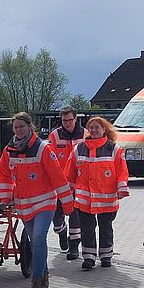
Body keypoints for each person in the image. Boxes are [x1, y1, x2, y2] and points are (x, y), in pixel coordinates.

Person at [0, 112, 73, 288]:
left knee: (38, 238)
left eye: (22, 126)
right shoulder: (9, 150)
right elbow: (3, 175)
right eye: (15, 127)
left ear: (31, 127)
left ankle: (36, 283)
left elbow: (58, 177)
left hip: (45, 202)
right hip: (23, 205)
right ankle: (45, 275)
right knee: (34, 242)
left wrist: (68, 203)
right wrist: (5, 198)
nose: (19, 130)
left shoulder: (43, 149)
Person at [66, 116, 129, 270]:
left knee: (105, 228)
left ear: (104, 130)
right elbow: (70, 172)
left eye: (97, 127)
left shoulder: (113, 149)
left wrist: (122, 189)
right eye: (91, 127)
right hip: (84, 200)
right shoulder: (79, 148)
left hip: (107, 200)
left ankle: (106, 256)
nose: (93, 130)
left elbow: (122, 171)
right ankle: (88, 258)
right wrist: (66, 192)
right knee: (87, 229)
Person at [48, 106, 88, 260]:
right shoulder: (55, 135)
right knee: (57, 217)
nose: (67, 123)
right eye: (64, 121)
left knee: (75, 214)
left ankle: (74, 247)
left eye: (70, 120)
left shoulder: (85, 134)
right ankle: (61, 232)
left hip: (79, 182)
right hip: (59, 183)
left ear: (75, 118)